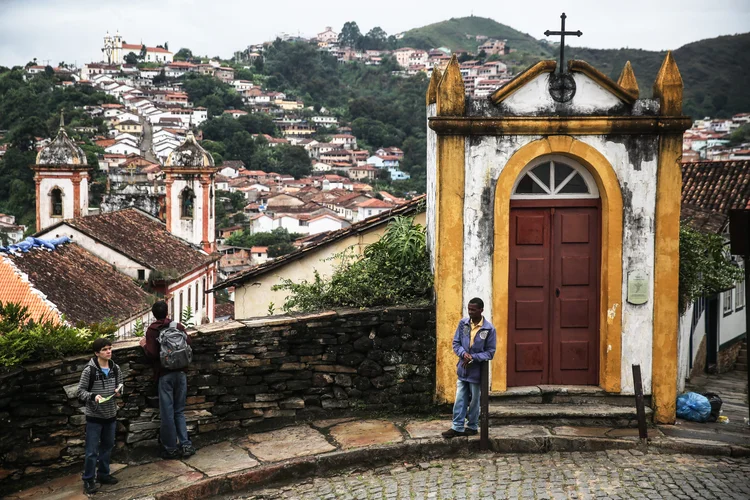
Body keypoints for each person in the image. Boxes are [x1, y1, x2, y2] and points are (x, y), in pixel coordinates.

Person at [139, 300, 196, 458]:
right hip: (181, 373)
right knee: (179, 411)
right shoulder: (176, 326)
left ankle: (170, 448)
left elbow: (151, 354)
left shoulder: (152, 330)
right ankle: (186, 445)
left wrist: (143, 345)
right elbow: (189, 342)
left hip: (164, 375)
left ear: (153, 314)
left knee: (167, 413)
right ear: (167, 312)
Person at [442, 297, 496, 438]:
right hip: (463, 370)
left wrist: (473, 357)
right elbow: (456, 343)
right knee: (460, 398)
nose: (470, 312)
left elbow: (490, 352)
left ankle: (472, 426)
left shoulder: (489, 329)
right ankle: (457, 427)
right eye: (469, 309)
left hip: (477, 373)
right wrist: (463, 353)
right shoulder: (463, 324)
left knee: (474, 401)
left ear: (481, 310)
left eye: (473, 309)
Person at [76, 338, 123, 494]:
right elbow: (80, 392)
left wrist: (119, 391)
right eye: (104, 349)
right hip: (95, 417)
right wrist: (94, 396)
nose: (109, 351)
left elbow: (121, 385)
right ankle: (88, 480)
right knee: (91, 451)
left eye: (110, 348)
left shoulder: (115, 368)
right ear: (97, 353)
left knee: (108, 447)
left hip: (110, 415)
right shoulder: (89, 371)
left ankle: (103, 474)